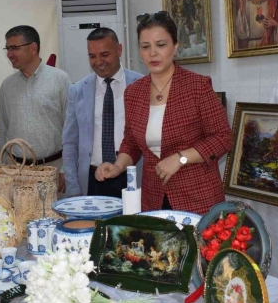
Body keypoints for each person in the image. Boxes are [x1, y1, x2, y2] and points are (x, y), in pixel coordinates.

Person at [95, 11, 232, 214]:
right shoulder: (133, 92)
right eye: (145, 47)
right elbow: (132, 141)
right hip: (153, 199)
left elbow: (224, 138)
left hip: (197, 197)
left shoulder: (197, 86)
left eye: (161, 45)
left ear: (175, 47)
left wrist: (181, 158)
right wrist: (118, 166)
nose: (152, 53)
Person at [62, 27, 143, 198]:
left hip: (134, 178)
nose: (98, 61)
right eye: (92, 56)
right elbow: (70, 143)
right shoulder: (77, 91)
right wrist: (73, 187)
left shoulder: (142, 84)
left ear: (119, 50)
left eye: (104, 54)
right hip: (93, 180)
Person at [0, 25, 71, 193]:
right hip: (15, 172)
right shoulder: (7, 86)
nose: (9, 54)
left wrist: (66, 169)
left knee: (52, 218)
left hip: (52, 170)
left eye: (14, 48)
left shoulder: (60, 80)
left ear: (33, 48)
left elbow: (72, 129)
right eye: (7, 48)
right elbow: (3, 130)